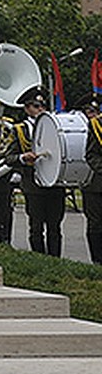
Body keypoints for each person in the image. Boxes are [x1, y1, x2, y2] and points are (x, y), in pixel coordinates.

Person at [8, 85, 66, 256]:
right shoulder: (20, 130)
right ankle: (39, 259)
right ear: (27, 108)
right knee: (36, 227)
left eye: (42, 106)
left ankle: (56, 260)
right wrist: (23, 158)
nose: (40, 109)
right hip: (33, 185)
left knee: (55, 227)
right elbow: (8, 158)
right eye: (36, 106)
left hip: (55, 183)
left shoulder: (55, 126)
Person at [81, 99, 102, 264]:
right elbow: (91, 155)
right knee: (96, 224)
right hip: (96, 185)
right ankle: (97, 261)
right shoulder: (97, 125)